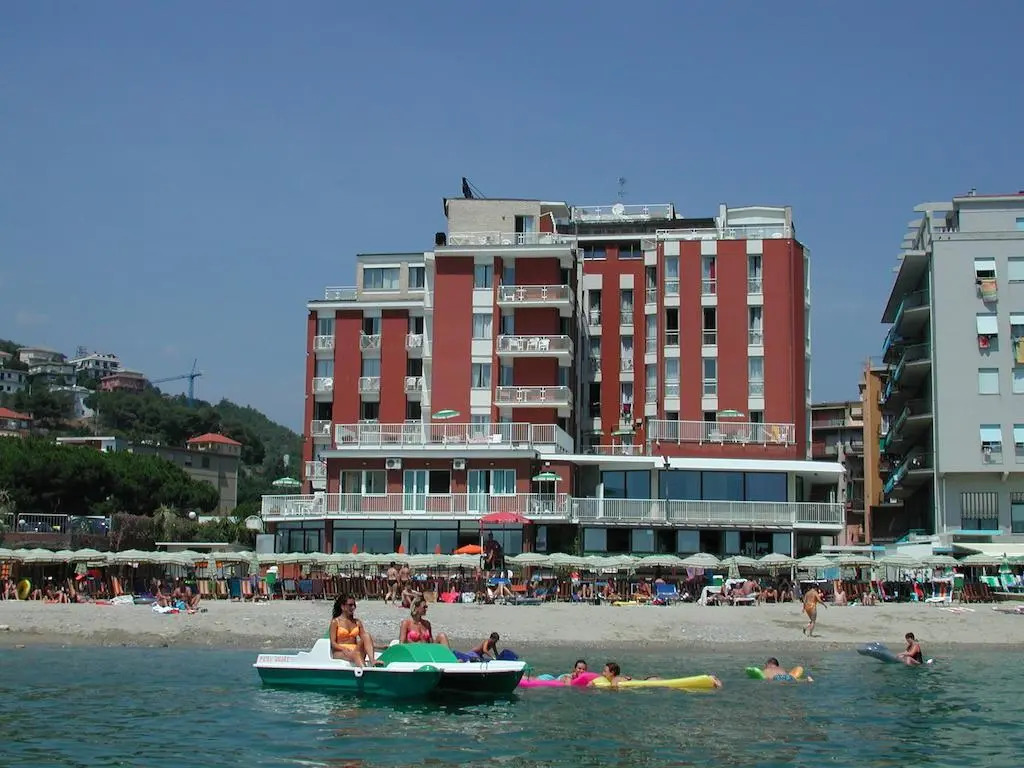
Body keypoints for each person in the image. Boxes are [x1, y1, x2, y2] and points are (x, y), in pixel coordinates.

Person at [329, 594, 377, 667]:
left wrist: (381, 647)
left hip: (355, 650)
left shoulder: (357, 622)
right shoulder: (335, 622)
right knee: (356, 654)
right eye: (350, 605)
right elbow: (333, 643)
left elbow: (367, 641)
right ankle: (366, 672)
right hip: (340, 651)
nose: (353, 607)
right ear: (343, 607)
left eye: (354, 605)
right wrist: (343, 649)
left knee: (366, 635)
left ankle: (372, 661)